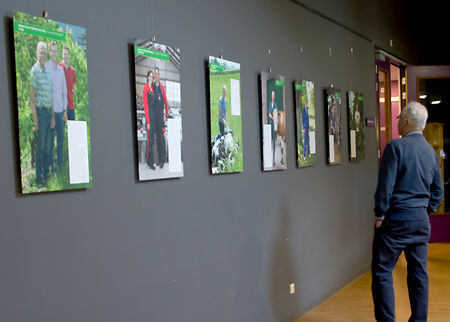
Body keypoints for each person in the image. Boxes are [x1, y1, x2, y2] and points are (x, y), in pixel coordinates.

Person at [372, 101, 444, 322]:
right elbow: (438, 191)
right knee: (419, 275)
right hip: (421, 221)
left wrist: (380, 214)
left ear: (405, 121)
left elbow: (385, 186)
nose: (398, 122)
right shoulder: (430, 152)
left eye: (399, 118)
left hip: (395, 220)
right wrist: (426, 210)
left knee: (383, 271)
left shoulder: (396, 147)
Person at [30, 41, 53, 186]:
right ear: (37, 54)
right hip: (40, 112)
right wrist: (36, 121)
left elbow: (50, 94)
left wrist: (52, 117)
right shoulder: (35, 71)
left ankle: (45, 176)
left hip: (48, 114)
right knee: (40, 148)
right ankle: (39, 180)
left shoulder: (47, 71)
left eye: (45, 52)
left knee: (47, 148)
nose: (43, 55)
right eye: (41, 52)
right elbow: (32, 97)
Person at [45, 41, 68, 172]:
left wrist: (65, 110)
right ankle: (51, 168)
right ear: (49, 52)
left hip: (60, 111)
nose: (54, 53)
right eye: (52, 51)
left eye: (56, 51)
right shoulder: (46, 68)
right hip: (51, 111)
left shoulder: (60, 70)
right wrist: (52, 113)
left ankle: (59, 167)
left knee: (60, 140)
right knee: (50, 142)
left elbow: (64, 91)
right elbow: (48, 92)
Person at [152, 67, 169, 169]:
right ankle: (158, 160)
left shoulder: (161, 88)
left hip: (161, 118)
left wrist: (165, 116)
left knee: (162, 140)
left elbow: (166, 103)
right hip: (154, 119)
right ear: (154, 76)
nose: (156, 75)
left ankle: (162, 160)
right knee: (157, 139)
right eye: (155, 74)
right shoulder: (152, 87)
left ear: (159, 75)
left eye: (158, 74)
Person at [60, 45, 77, 120]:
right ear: (62, 55)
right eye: (64, 54)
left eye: (67, 54)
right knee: (60, 130)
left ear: (69, 55)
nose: (65, 56)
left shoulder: (73, 71)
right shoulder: (58, 68)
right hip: (60, 105)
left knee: (73, 129)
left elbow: (74, 88)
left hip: (70, 105)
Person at [143, 70, 155, 169]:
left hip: (154, 117)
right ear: (147, 77)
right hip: (149, 117)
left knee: (153, 140)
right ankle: (149, 161)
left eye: (152, 76)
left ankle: (151, 160)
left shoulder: (154, 89)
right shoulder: (145, 89)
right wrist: (148, 122)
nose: (151, 78)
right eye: (150, 76)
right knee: (149, 141)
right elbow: (146, 106)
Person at [268, 91, 277, 165]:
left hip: (274, 126)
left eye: (274, 95)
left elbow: (276, 113)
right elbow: (269, 114)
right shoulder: (270, 104)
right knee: (270, 141)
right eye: (272, 95)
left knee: (274, 141)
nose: (273, 97)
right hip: (271, 124)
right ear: (271, 96)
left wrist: (274, 118)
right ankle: (270, 158)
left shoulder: (275, 105)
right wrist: (273, 117)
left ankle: (273, 160)